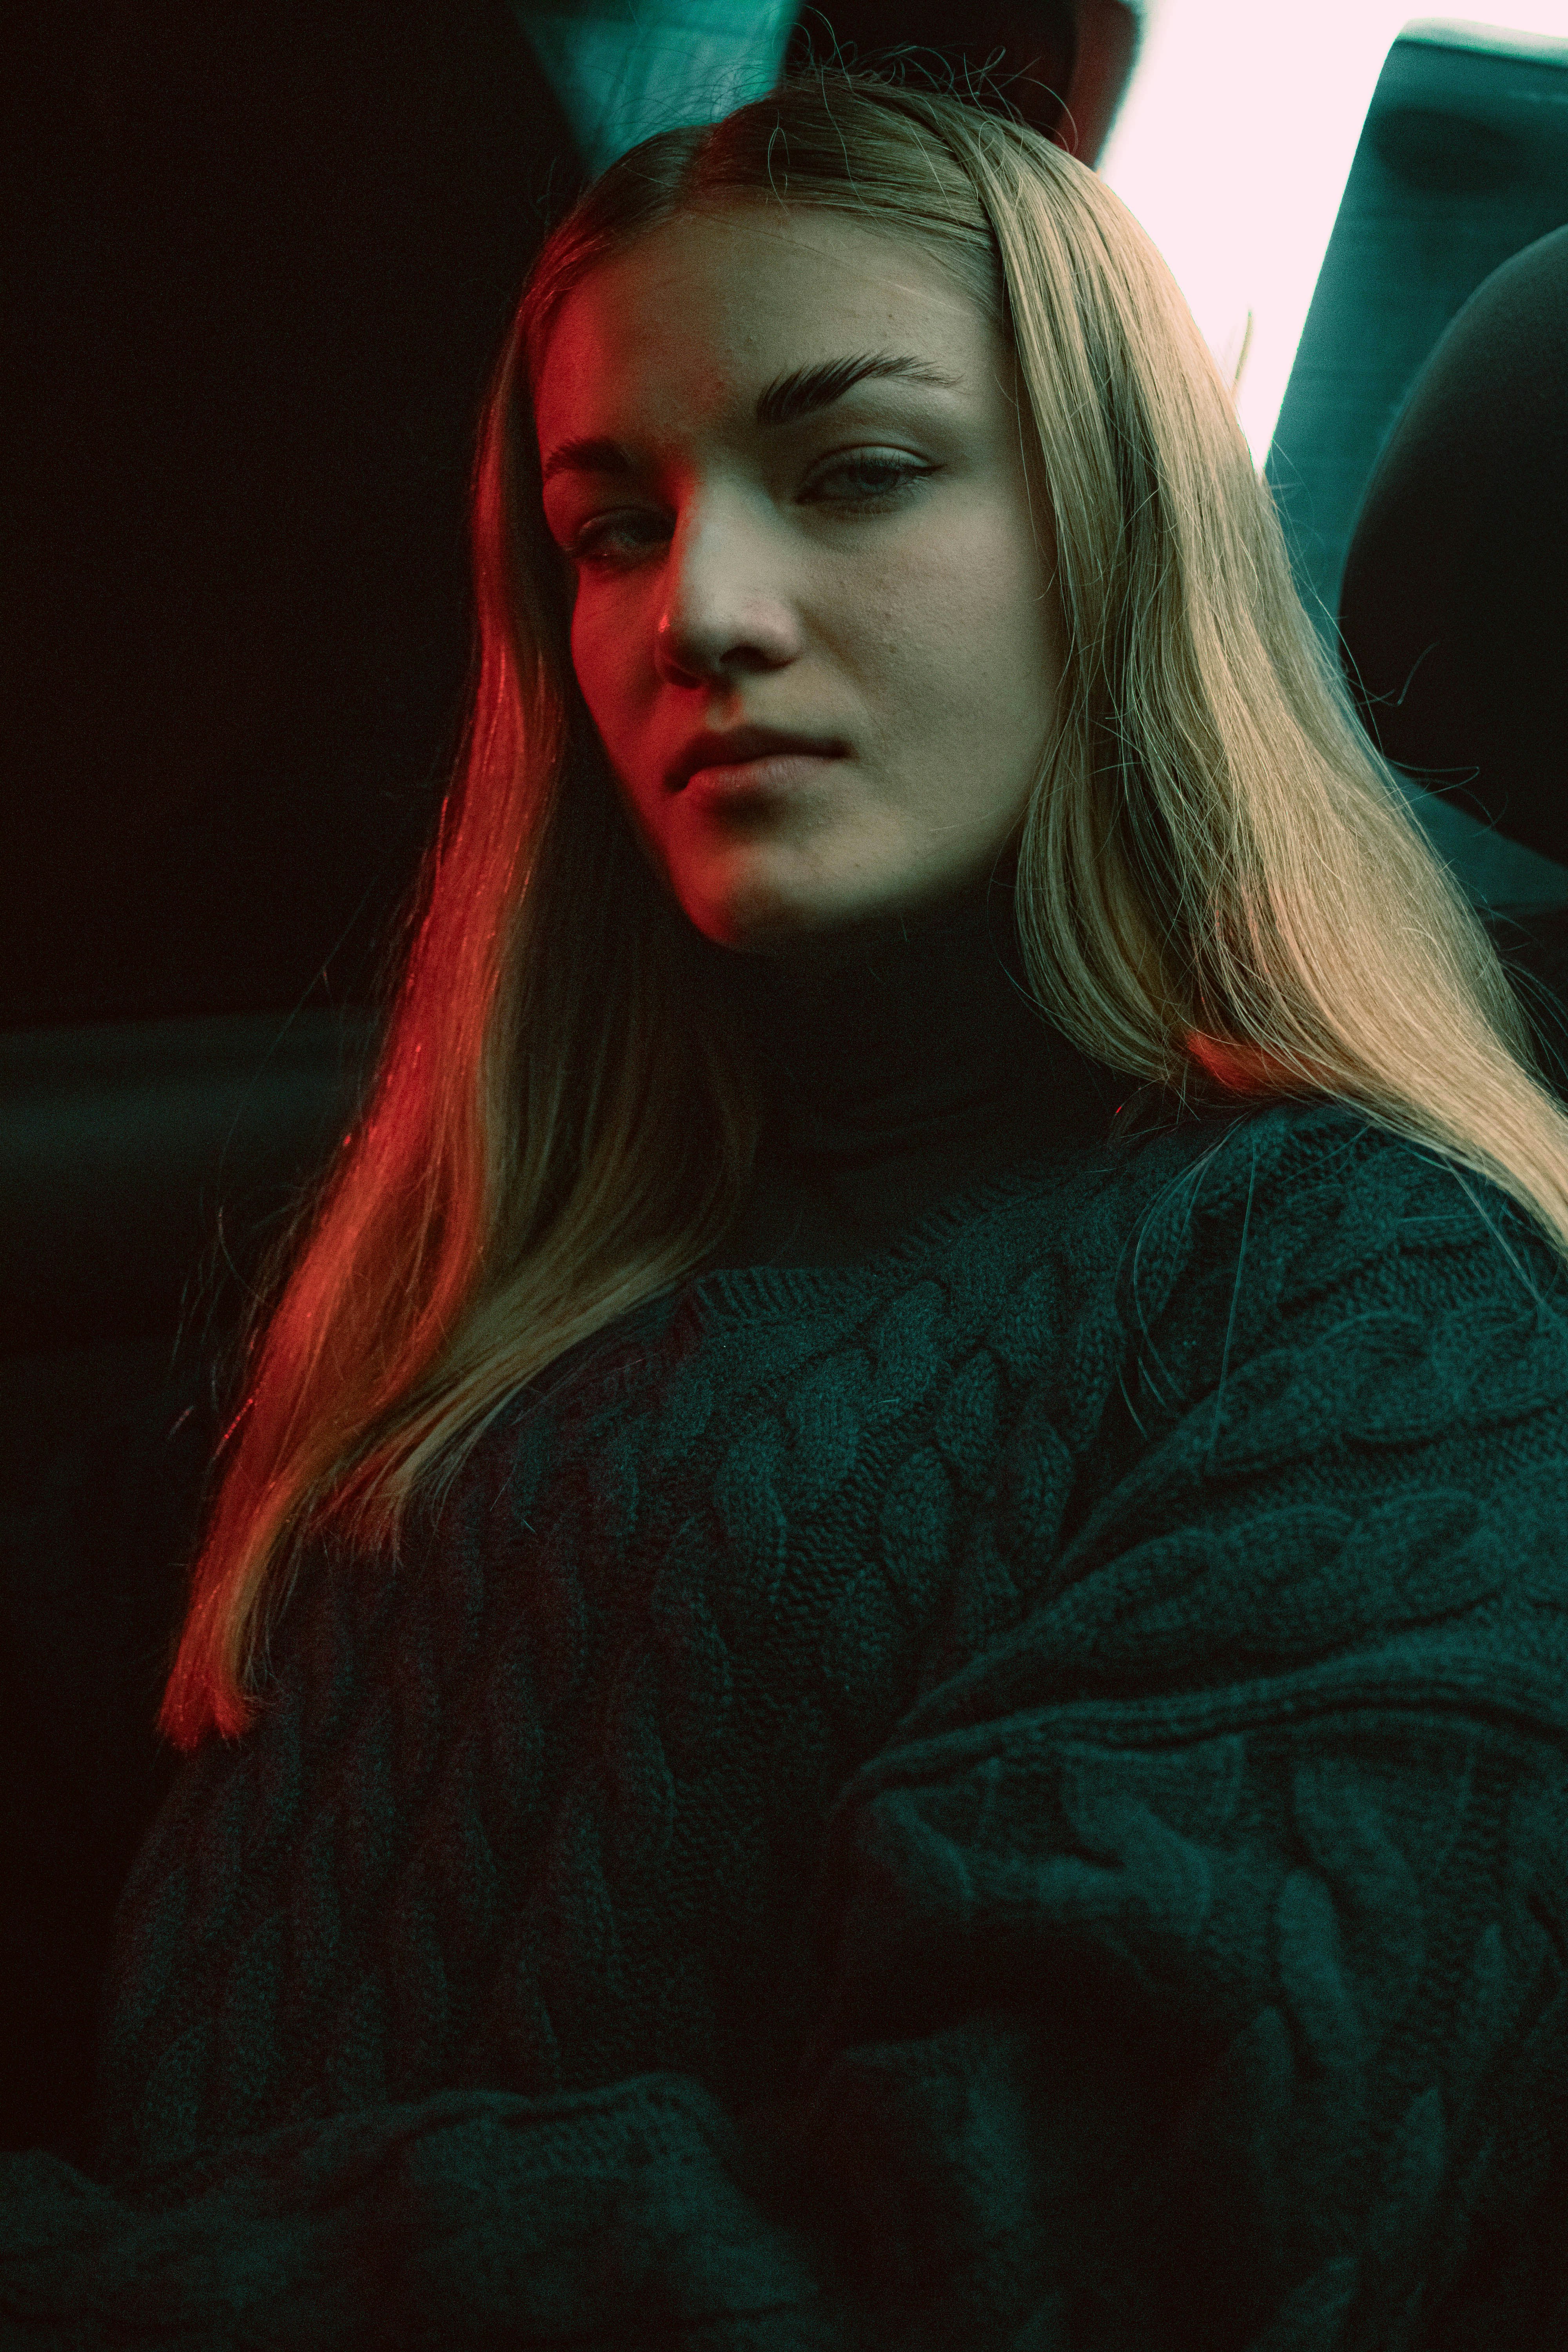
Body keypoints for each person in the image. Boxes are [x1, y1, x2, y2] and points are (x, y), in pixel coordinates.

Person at [5, 60, 1568, 2348]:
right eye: (610, 525)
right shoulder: (546, 1227)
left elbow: (1035, 2249)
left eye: (856, 475)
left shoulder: (1377, 1316)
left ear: (1119, 535)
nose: (698, 612)